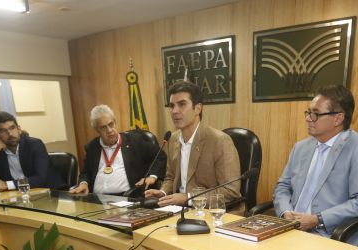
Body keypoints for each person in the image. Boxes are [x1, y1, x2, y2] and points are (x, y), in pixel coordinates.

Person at [273, 85, 358, 244]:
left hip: (328, 235)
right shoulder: (301, 147)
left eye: (315, 114)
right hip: (288, 230)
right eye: (308, 112)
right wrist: (285, 212)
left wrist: (318, 219)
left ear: (338, 118)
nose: (308, 118)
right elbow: (283, 186)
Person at [144, 81, 241, 211]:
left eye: (182, 104)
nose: (174, 111)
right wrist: (163, 193)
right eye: (172, 106)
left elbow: (230, 190)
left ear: (198, 108)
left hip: (212, 212)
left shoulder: (220, 141)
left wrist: (188, 198)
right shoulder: (173, 139)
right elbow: (171, 177)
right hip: (179, 209)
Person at [70, 105, 166, 196]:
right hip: (97, 199)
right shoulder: (92, 146)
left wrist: (152, 176)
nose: (109, 130)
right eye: (103, 127)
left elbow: (160, 156)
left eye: (111, 124)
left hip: (126, 198)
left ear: (115, 122)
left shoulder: (135, 141)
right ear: (96, 129)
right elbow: (86, 172)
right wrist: (84, 183)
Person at [0, 111, 63, 190]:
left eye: (12, 128)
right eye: (3, 131)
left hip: (51, 193)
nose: (10, 134)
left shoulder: (34, 145)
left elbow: (40, 179)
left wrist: (7, 185)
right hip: (19, 196)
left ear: (19, 129)